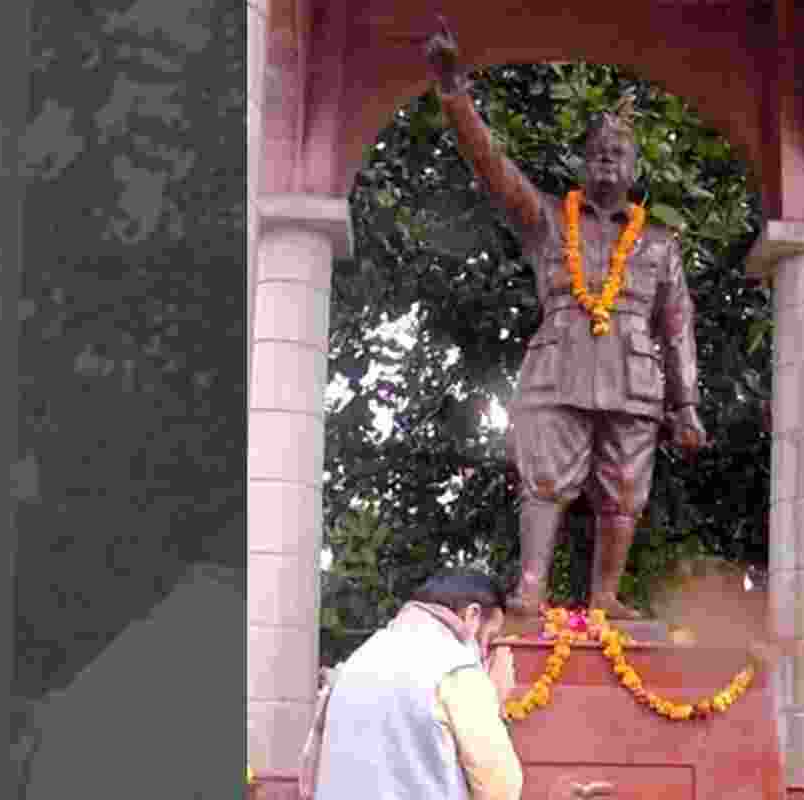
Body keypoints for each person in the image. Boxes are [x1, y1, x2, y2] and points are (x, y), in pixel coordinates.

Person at [425, 17, 709, 622]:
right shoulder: (549, 220)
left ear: (635, 168)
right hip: (558, 371)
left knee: (625, 493)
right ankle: (531, 586)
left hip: (634, 383)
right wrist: (456, 97)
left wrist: (685, 405)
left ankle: (605, 596)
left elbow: (677, 322)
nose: (609, 159)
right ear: (583, 163)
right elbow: (495, 171)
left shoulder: (660, 242)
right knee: (546, 483)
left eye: (621, 153)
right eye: (598, 152)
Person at [304, 569, 522, 800]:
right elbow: (500, 790)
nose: (486, 653)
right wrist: (494, 700)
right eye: (489, 638)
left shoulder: (357, 659)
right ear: (473, 616)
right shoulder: (455, 667)